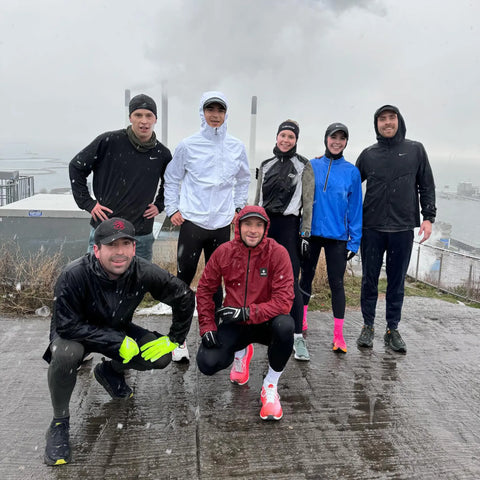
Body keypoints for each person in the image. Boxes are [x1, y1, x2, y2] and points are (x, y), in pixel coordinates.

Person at [42, 217, 195, 466]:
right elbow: (66, 325)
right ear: (96, 249)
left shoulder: (142, 270)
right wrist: (114, 341)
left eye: (126, 244)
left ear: (134, 248)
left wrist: (174, 338)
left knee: (160, 356)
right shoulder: (73, 275)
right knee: (65, 354)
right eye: (112, 245)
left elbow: (184, 296)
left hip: (118, 329)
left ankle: (109, 372)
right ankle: (59, 422)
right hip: (76, 335)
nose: (120, 252)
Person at [164, 91, 250, 362]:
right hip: (193, 223)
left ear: (226, 114)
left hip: (222, 225)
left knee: (216, 284)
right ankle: (178, 339)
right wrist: (172, 209)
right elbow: (172, 177)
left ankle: (214, 332)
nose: (215, 115)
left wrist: (238, 208)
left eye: (220, 110)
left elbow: (244, 178)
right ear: (202, 112)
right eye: (210, 109)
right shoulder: (188, 145)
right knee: (183, 281)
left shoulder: (236, 146)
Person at [196, 206, 294, 421]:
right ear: (237, 226)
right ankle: (241, 354)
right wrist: (207, 325)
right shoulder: (224, 251)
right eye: (247, 224)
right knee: (207, 363)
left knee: (286, 326)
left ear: (265, 229)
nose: (253, 230)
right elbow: (205, 289)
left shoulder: (278, 253)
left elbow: (284, 301)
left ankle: (270, 385)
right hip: (235, 322)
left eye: (258, 225)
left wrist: (247, 312)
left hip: (266, 322)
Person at [355, 105, 436, 353]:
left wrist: (428, 217)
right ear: (376, 124)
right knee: (369, 280)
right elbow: (349, 184)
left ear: (399, 121)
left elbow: (426, 184)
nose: (387, 123)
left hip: (402, 227)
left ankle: (392, 329)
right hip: (372, 227)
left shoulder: (415, 150)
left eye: (391, 118)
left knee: (396, 282)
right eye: (382, 119)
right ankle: (368, 326)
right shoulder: (368, 154)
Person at [69, 94, 172, 261]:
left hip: (141, 234)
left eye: (148, 115)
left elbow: (171, 182)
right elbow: (76, 166)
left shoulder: (162, 154)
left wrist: (160, 205)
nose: (143, 121)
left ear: (155, 119)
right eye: (138, 115)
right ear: (130, 117)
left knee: (138, 282)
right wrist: (88, 203)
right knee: (96, 280)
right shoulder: (109, 141)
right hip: (105, 229)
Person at [300, 123, 362, 353]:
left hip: (338, 237)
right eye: (333, 137)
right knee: (305, 278)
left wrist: (354, 241)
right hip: (312, 235)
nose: (337, 142)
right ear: (326, 139)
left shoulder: (352, 172)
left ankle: (338, 336)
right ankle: (302, 321)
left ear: (346, 142)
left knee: (337, 285)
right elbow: (303, 203)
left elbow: (356, 209)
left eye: (341, 138)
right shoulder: (312, 165)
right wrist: (303, 233)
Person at [255, 120, 313, 361]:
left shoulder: (303, 165)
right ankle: (265, 327)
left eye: (291, 136)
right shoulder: (265, 164)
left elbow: (308, 203)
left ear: (296, 140)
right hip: (265, 226)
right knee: (261, 278)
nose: (286, 140)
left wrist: (305, 234)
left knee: (291, 282)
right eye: (283, 135)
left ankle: (297, 336)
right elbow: (256, 199)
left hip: (289, 227)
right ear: (276, 137)